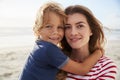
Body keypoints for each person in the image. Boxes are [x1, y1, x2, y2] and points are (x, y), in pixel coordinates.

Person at [19, 2, 103, 80]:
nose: (55, 32)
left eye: (60, 27)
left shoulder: (40, 45)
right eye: (48, 26)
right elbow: (82, 69)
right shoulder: (48, 50)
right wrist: (98, 52)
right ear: (38, 29)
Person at [56, 5, 117, 80]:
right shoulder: (55, 58)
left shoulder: (105, 66)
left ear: (91, 30)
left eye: (80, 26)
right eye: (67, 27)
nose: (73, 33)